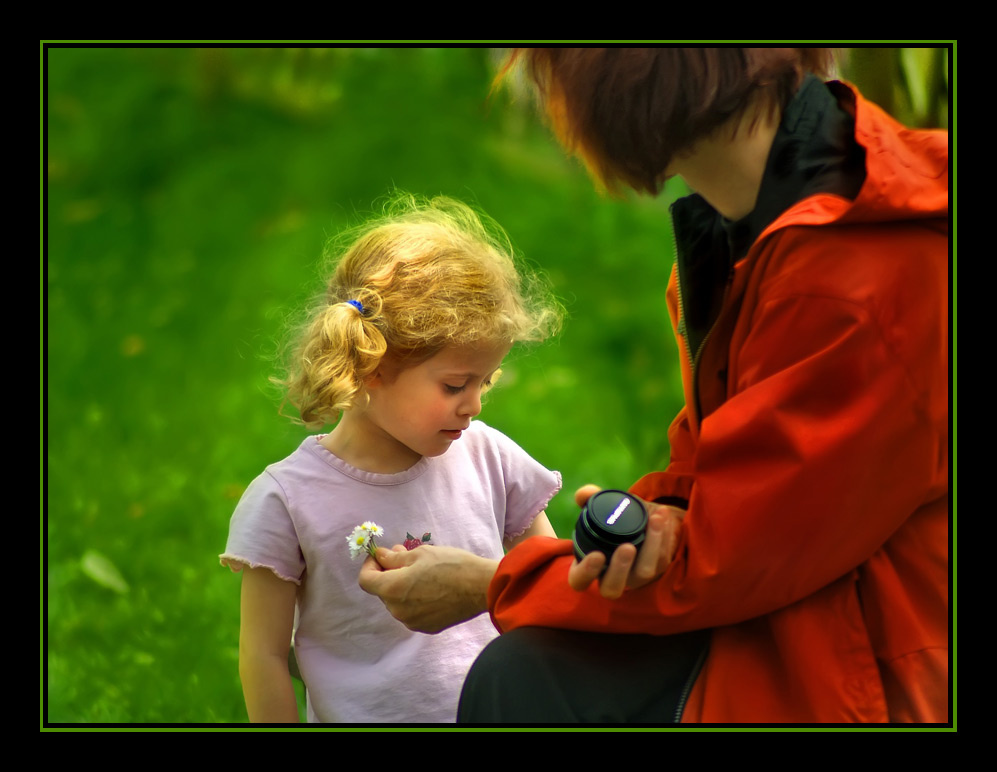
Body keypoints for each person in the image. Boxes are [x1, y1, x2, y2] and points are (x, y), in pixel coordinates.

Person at [363, 48, 950, 724]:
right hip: (807, 593)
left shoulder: (851, 279)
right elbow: (730, 478)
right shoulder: (767, 225)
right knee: (533, 668)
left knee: (525, 680)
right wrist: (659, 523)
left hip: (872, 660)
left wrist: (490, 584)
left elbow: (732, 561)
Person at [220, 193, 562, 723]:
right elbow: (262, 655)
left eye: (485, 381)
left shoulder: (490, 458)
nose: (473, 405)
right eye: (454, 385)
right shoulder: (288, 501)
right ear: (370, 365)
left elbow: (550, 584)